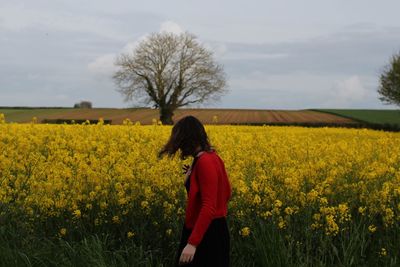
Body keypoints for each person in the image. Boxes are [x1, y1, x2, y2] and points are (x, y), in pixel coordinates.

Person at [158, 115, 232, 266]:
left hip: (207, 234)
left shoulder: (204, 162)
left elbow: (208, 206)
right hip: (211, 228)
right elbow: (226, 193)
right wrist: (190, 181)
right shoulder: (211, 158)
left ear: (187, 139)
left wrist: (192, 243)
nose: (178, 147)